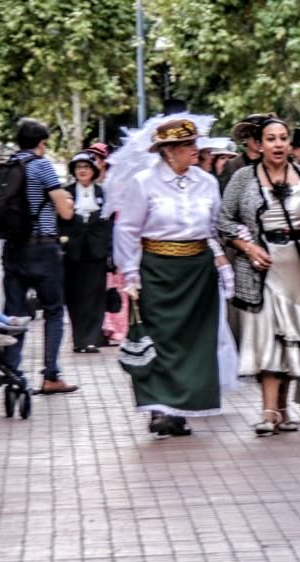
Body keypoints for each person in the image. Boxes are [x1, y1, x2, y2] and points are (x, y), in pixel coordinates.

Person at [218, 118, 300, 436]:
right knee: (269, 336)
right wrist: (247, 246)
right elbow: (223, 220)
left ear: (290, 143)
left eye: (283, 138)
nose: (277, 144)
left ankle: (283, 409)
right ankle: (269, 412)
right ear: (258, 144)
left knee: (291, 337)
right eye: (270, 138)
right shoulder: (244, 178)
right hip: (262, 269)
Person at [113, 118, 236, 437]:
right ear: (169, 151)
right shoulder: (144, 182)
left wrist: (222, 263)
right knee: (161, 338)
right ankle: (159, 407)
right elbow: (127, 229)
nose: (196, 150)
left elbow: (213, 227)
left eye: (196, 144)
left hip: (197, 269)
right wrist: (130, 273)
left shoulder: (206, 181)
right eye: (189, 146)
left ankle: (186, 406)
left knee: (195, 340)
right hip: (158, 268)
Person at [2, 118, 78, 395]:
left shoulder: (8, 166)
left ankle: (11, 372)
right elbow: (65, 211)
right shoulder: (41, 165)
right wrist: (67, 202)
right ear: (42, 143)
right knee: (54, 311)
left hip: (13, 249)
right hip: (42, 248)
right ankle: (51, 375)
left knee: (15, 315)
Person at [59, 151, 112, 354]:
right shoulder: (66, 192)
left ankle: (92, 338)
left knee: (96, 296)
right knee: (74, 296)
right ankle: (78, 338)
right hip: (73, 253)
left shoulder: (103, 193)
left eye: (87, 167)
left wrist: (110, 252)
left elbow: (110, 224)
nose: (82, 171)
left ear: (94, 171)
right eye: (79, 167)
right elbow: (61, 222)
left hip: (96, 252)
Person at [218, 113, 274, 193]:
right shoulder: (232, 166)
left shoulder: (272, 163)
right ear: (244, 137)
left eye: (261, 135)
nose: (257, 140)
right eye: (253, 134)